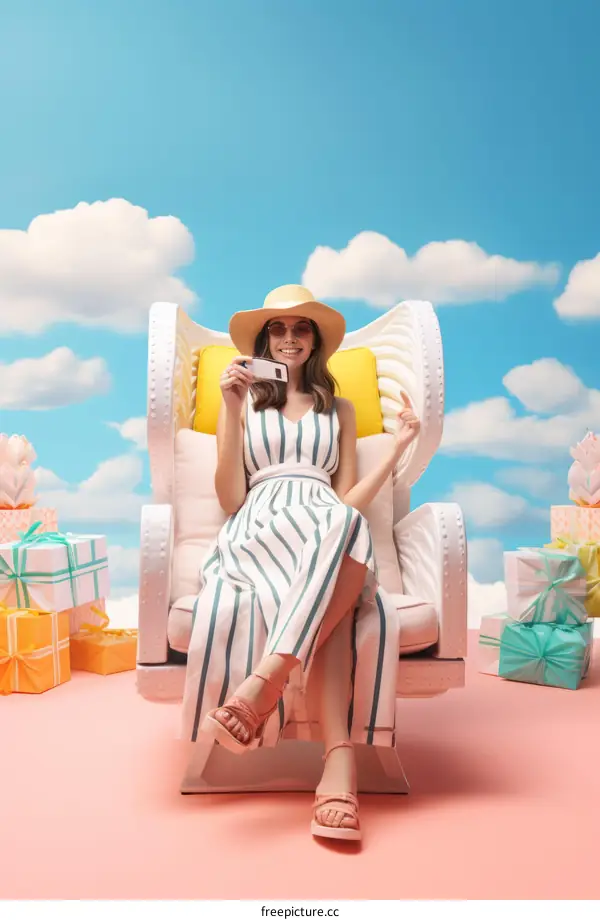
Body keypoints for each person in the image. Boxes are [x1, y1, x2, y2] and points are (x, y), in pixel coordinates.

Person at [181, 284, 420, 843]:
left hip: (327, 525)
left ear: (315, 342)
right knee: (331, 605)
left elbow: (344, 502)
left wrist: (399, 447)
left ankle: (268, 683)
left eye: (301, 328)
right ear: (265, 341)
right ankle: (338, 768)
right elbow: (230, 499)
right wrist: (233, 406)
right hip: (260, 525)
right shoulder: (238, 404)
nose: (289, 338)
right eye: (278, 330)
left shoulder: (340, 409)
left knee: (344, 528)